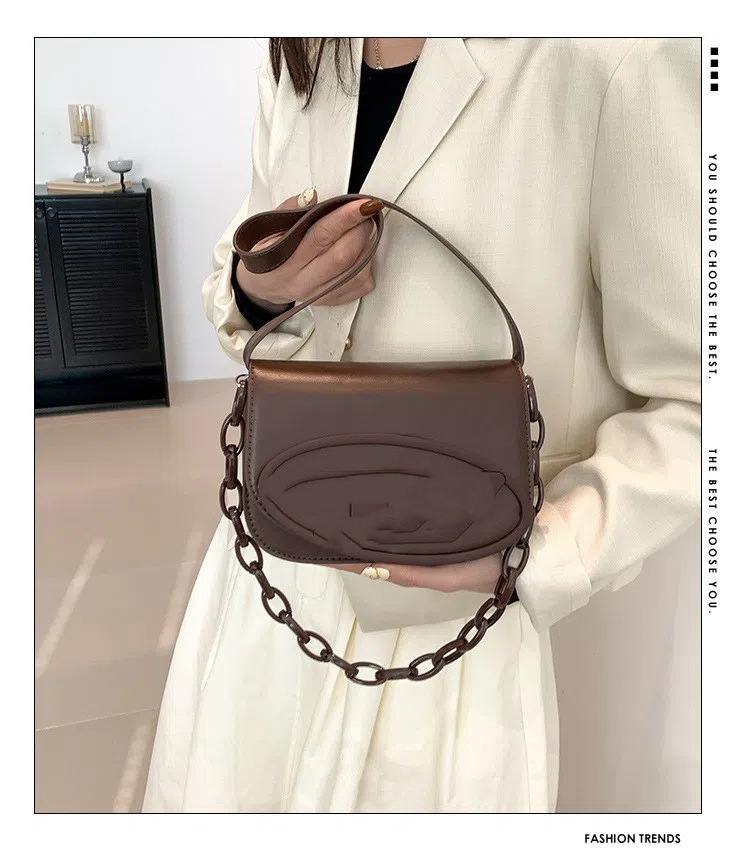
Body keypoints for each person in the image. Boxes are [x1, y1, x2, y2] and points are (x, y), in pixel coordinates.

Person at [143, 37, 700, 813]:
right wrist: (259, 289)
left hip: (455, 612)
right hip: (274, 565)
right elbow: (247, 263)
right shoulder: (302, 47)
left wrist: (543, 555)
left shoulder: (619, 50)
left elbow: (700, 397)